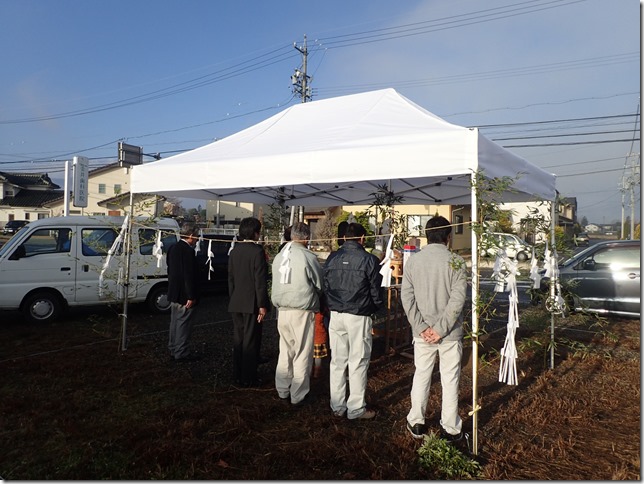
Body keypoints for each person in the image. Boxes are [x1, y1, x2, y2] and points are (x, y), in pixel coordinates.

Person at [401, 216, 468, 442]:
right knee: (450, 379)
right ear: (448, 238)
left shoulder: (413, 262)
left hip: (422, 333)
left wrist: (421, 327)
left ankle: (417, 421)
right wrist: (440, 329)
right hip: (449, 333)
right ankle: (450, 427)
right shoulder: (456, 261)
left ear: (427, 236)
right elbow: (457, 300)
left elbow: (407, 298)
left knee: (421, 375)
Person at [323, 222, 384, 420]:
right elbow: (376, 291)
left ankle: (337, 406)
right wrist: (374, 307)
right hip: (358, 314)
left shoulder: (332, 258)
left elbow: (326, 286)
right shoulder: (369, 260)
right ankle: (356, 408)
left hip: (336, 314)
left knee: (337, 361)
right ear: (361, 238)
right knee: (357, 361)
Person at [271, 222, 324, 405]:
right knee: (302, 352)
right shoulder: (307, 256)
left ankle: (282, 389)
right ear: (306, 237)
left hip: (282, 309)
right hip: (301, 309)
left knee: (285, 351)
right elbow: (319, 282)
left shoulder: (280, 255)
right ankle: (299, 394)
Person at [228, 217, 270, 387]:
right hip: (252, 303)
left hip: (236, 301)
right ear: (255, 233)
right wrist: (262, 305)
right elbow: (260, 281)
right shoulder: (257, 251)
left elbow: (230, 279)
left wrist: (233, 297)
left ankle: (237, 374)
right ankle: (248, 377)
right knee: (251, 341)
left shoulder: (234, 251)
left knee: (238, 340)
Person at [167, 221, 201, 361]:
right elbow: (188, 275)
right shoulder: (187, 251)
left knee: (174, 322)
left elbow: (171, 270)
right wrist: (191, 295)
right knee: (183, 323)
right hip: (185, 293)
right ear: (191, 236)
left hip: (174, 291)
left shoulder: (173, 248)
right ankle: (181, 352)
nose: (198, 238)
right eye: (197, 236)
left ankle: (173, 348)